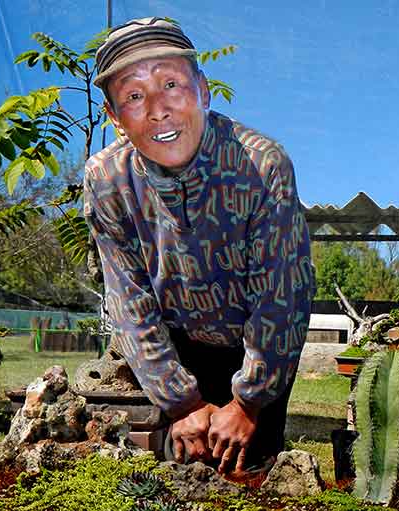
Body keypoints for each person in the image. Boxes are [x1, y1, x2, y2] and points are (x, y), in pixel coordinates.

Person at [83, 17, 314, 475]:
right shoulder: (107, 180)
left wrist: (249, 402)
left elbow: (282, 295)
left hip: (256, 348)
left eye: (171, 84)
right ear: (113, 116)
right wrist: (180, 402)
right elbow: (128, 300)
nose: (158, 109)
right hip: (178, 348)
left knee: (254, 474)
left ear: (203, 91)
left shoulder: (260, 165)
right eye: (133, 96)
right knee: (184, 482)